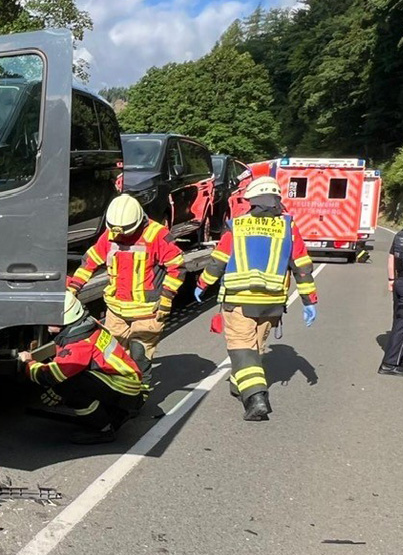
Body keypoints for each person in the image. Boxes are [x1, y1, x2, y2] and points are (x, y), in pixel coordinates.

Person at [195, 176, 318, 421]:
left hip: (239, 300)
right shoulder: (288, 227)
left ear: (251, 200)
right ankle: (238, 385)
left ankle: (256, 397)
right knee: (256, 348)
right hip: (271, 304)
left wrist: (202, 284)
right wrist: (308, 300)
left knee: (243, 349)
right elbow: (301, 265)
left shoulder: (237, 226)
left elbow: (219, 260)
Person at [19, 291, 149, 444]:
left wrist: (28, 363)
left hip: (124, 387)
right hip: (124, 383)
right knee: (67, 381)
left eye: (50, 319)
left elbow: (51, 375)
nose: (46, 322)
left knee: (68, 384)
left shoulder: (80, 343)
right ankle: (115, 413)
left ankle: (103, 429)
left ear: (64, 320)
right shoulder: (86, 325)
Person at [67, 194, 185, 362]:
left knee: (139, 358)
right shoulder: (110, 234)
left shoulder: (156, 234)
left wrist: (166, 298)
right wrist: (73, 288)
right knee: (113, 358)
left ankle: (141, 387)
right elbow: (89, 263)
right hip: (116, 311)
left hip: (147, 312)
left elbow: (177, 267)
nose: (120, 236)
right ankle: (120, 387)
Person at [379, 224, 403, 375]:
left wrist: (391, 279)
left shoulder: (401, 234)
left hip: (400, 280)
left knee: (400, 321)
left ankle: (401, 358)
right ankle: (391, 363)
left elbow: (392, 258)